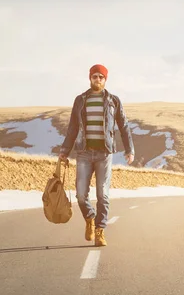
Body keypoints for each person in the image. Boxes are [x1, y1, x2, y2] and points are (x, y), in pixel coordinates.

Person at [58, 64, 135, 246]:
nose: (97, 79)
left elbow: (123, 126)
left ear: (105, 80)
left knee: (103, 195)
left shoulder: (113, 101)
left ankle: (100, 230)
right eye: (95, 76)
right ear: (90, 78)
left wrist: (129, 149)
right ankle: (90, 218)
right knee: (81, 196)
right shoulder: (80, 100)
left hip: (104, 154)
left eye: (101, 77)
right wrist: (64, 150)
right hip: (84, 153)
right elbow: (73, 127)